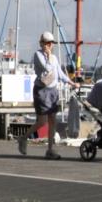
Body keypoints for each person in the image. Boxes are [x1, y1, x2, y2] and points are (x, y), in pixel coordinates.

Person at [18, 31, 79, 160]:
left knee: (52, 121)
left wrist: (71, 82)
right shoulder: (38, 55)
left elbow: (59, 73)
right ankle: (23, 138)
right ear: (42, 43)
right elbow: (47, 69)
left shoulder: (54, 58)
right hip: (42, 91)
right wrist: (49, 55)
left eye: (51, 43)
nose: (49, 45)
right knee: (42, 121)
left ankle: (50, 150)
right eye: (47, 43)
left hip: (53, 91)